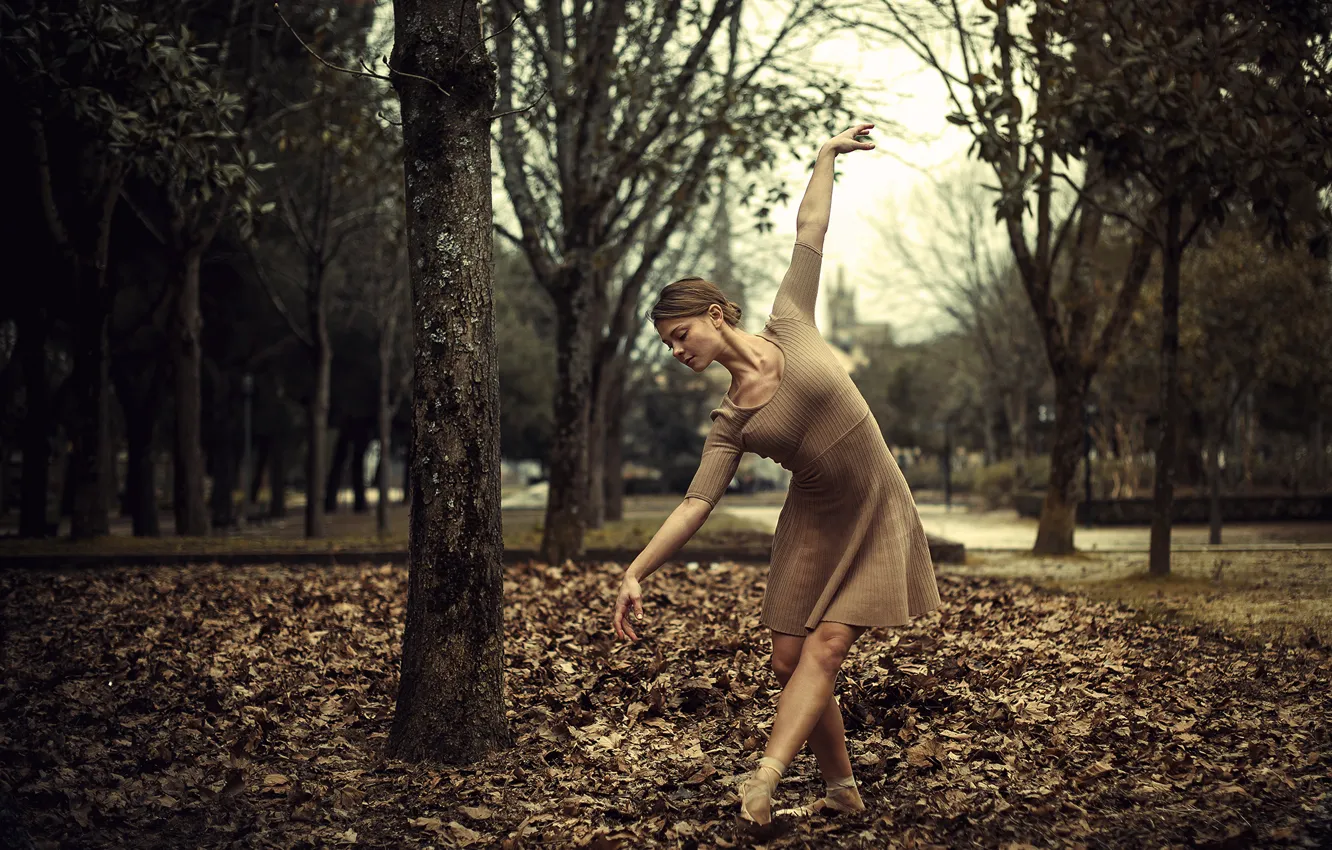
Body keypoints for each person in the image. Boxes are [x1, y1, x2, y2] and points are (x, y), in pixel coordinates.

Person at [610, 123, 942, 825]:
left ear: (715, 314)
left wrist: (826, 156)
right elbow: (695, 504)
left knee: (828, 645)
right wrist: (636, 571)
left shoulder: (790, 320)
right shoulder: (731, 420)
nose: (676, 351)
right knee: (787, 661)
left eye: (680, 335)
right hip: (813, 522)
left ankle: (763, 779)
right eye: (667, 345)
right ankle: (842, 789)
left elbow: (809, 230)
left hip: (877, 504)